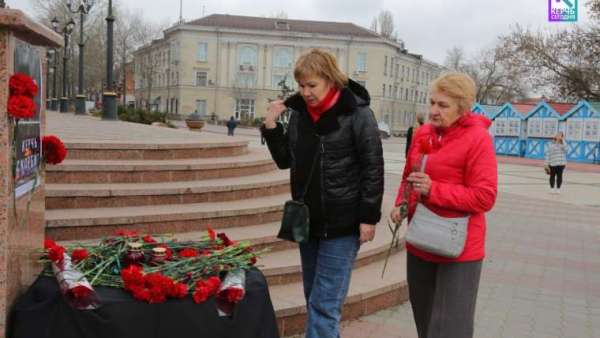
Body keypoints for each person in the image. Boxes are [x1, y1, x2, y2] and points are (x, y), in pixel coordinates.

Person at [261, 49, 383, 338]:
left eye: (312, 85)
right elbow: (285, 161)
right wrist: (270, 125)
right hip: (308, 222)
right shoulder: (300, 114)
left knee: (324, 305)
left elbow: (373, 167)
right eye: (301, 86)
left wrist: (369, 217)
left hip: (343, 224)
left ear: (330, 79)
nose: (305, 92)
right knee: (314, 299)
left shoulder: (357, 114)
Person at [390, 72, 498, 338]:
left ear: (462, 108)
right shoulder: (422, 134)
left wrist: (433, 190)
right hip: (421, 241)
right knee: (425, 323)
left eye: (443, 105)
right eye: (432, 103)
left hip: (458, 250)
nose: (434, 111)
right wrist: (402, 203)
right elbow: (409, 176)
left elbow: (485, 196)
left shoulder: (478, 139)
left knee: (451, 328)